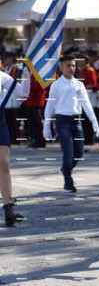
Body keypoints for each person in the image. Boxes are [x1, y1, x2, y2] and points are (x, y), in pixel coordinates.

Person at [43, 55, 99, 193]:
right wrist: (47, 124)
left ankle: (64, 169)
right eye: (68, 65)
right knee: (68, 152)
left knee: (79, 152)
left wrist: (94, 121)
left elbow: (86, 104)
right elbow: (50, 105)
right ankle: (68, 182)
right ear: (61, 67)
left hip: (76, 120)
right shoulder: (56, 85)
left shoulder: (79, 84)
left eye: (73, 65)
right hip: (63, 121)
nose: (71, 68)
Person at [0, 63, 30, 226]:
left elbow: (23, 94)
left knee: (4, 164)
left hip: (0, 124)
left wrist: (25, 74)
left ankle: (8, 209)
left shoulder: (2, 77)